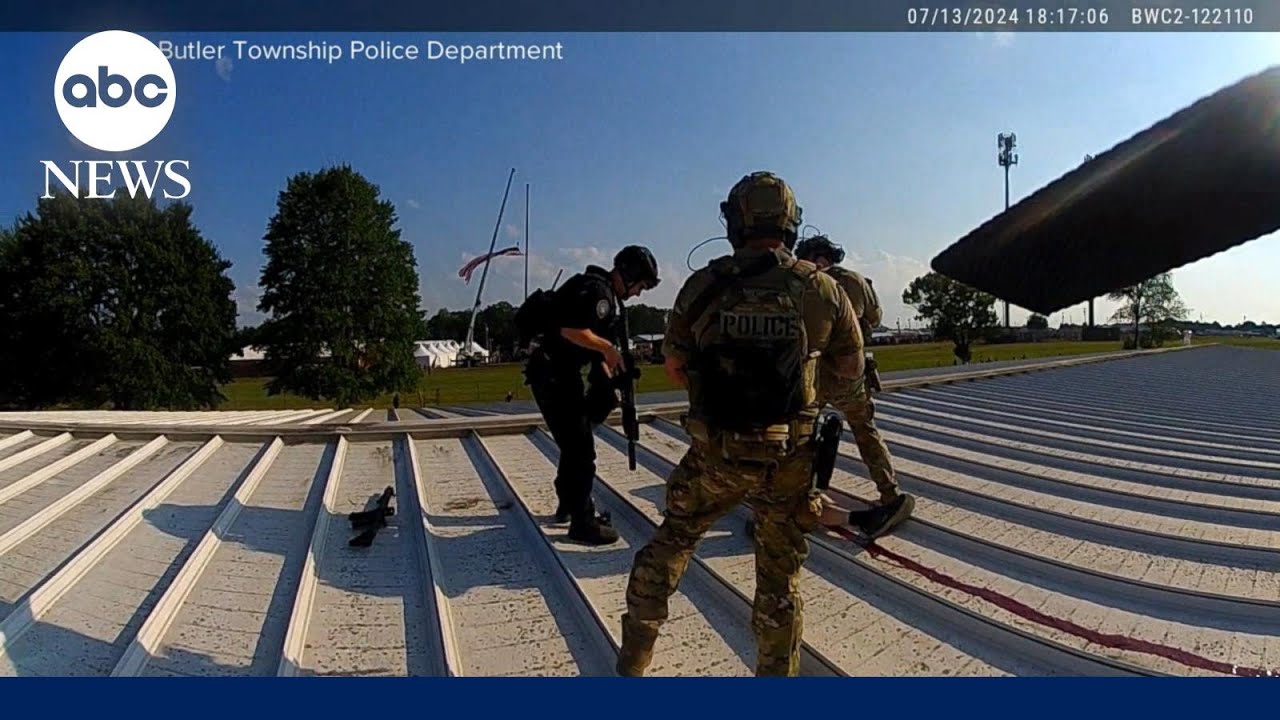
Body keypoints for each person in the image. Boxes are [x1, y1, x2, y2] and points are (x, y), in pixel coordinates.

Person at [617, 171, 865, 677]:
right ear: (791, 222)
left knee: (674, 540)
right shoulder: (822, 289)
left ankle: (634, 659)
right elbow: (852, 368)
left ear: (735, 221)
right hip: (789, 461)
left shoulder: (705, 285)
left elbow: (675, 364)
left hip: (717, 455)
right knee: (779, 580)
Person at [522, 245, 661, 546]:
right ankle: (582, 521)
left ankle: (569, 502)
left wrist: (612, 378)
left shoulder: (600, 292)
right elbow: (571, 331)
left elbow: (592, 345)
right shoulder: (598, 294)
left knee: (576, 441)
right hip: (553, 376)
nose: (638, 293)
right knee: (581, 449)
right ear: (629, 275)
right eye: (641, 286)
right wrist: (607, 349)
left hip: (557, 375)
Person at [794, 234, 915, 539]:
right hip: (851, 374)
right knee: (865, 430)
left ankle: (799, 496)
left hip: (814, 376)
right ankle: (889, 493)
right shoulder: (857, 281)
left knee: (803, 436)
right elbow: (874, 317)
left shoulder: (802, 281)